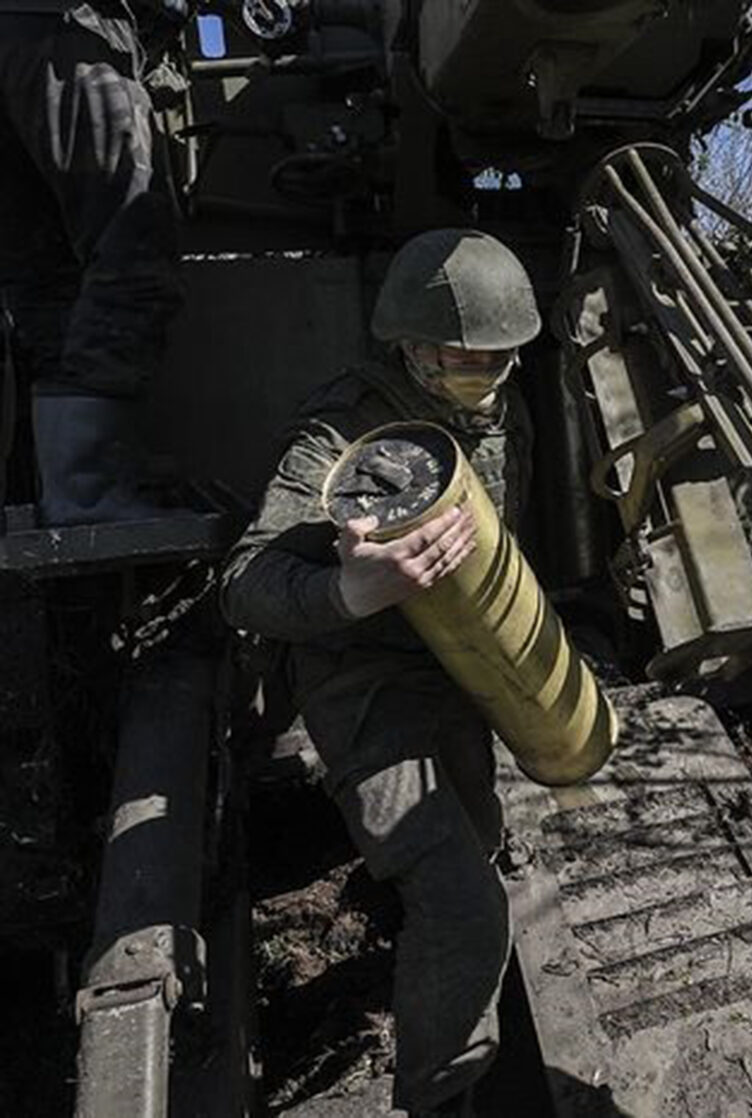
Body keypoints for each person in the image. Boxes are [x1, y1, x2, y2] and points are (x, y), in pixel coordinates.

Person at [222, 228, 539, 1116]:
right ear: (405, 344)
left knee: (473, 858)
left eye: (497, 360)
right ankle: (440, 1101)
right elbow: (246, 585)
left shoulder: (505, 407)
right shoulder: (339, 430)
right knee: (468, 909)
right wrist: (353, 589)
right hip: (364, 689)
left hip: (461, 673)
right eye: (457, 359)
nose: (479, 376)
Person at [0, 0, 189, 524]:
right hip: (67, 27)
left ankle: (68, 488)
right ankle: (89, 488)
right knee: (133, 240)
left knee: (43, 276)